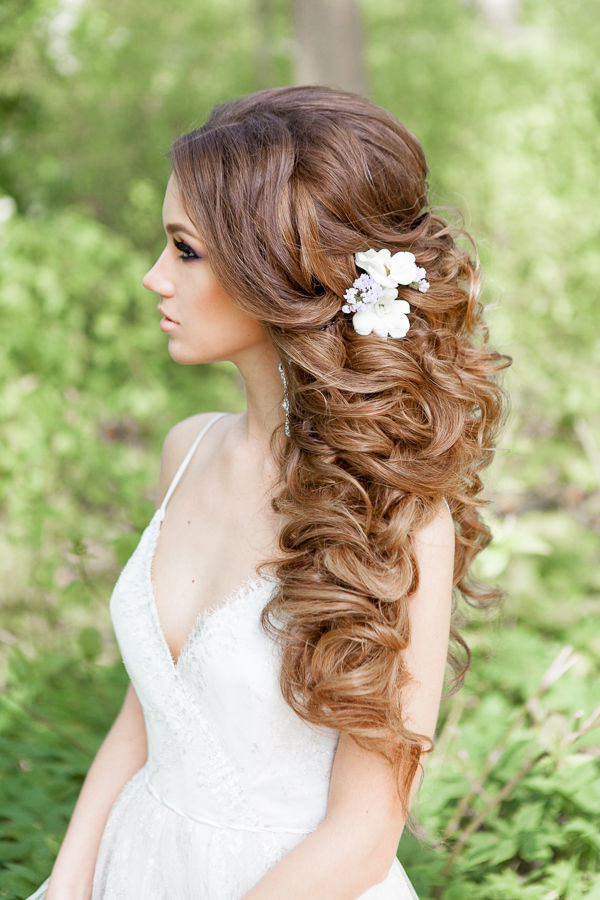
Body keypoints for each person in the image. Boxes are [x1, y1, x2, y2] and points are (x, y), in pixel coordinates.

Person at [27, 84, 510, 900]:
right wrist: (67, 881)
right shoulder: (186, 451)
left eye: (184, 250)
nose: (153, 278)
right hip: (137, 865)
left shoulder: (395, 514)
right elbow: (151, 713)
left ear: (276, 269)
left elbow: (365, 835)